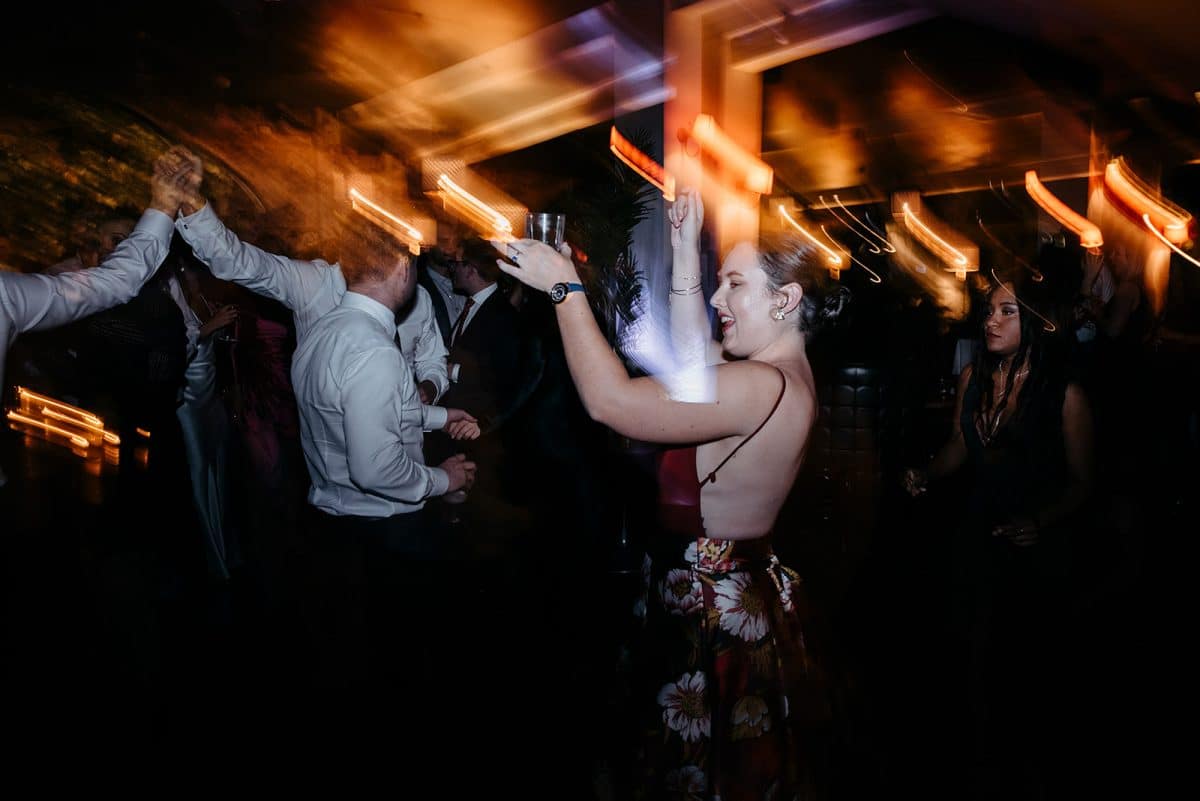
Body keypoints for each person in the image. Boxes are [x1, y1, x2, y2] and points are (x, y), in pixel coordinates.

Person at [493, 187, 846, 800]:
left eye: (735, 284)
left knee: (694, 772)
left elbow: (611, 404)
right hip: (720, 592)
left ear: (786, 299)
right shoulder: (779, 375)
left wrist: (564, 288)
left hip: (708, 611)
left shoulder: (761, 383)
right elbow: (689, 365)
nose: (718, 298)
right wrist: (685, 250)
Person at [903, 277, 1095, 799]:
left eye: (1006, 312)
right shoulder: (973, 378)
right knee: (972, 658)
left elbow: (1083, 480)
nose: (991, 321)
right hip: (977, 535)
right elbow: (960, 446)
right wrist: (926, 474)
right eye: (990, 311)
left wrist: (1042, 520)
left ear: (1033, 320)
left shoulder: (1065, 393)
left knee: (1028, 672)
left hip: (1036, 550)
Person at [1, 151, 195, 487]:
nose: (110, 248)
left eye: (121, 240)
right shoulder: (49, 284)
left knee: (150, 481)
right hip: (104, 410)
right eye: (105, 241)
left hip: (142, 410)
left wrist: (153, 397)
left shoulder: (157, 299)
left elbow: (171, 343)